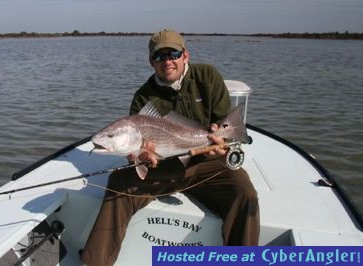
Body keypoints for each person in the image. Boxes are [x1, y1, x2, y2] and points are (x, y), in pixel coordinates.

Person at [81, 29, 259, 266]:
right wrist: (142, 156)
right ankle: (95, 263)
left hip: (208, 160)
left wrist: (222, 141)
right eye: (159, 56)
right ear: (151, 61)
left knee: (244, 193)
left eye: (173, 54)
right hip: (164, 166)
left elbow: (223, 121)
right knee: (118, 183)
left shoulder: (207, 76)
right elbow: (135, 153)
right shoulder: (144, 96)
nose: (167, 61)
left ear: (185, 55)